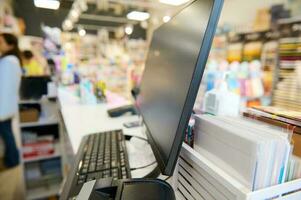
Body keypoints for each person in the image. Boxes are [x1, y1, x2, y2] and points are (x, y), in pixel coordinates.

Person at [0, 33, 24, 200]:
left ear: (9, 44)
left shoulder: (8, 62)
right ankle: (12, 160)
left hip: (3, 108)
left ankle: (13, 161)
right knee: (7, 134)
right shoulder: (12, 61)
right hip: (6, 107)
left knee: (7, 136)